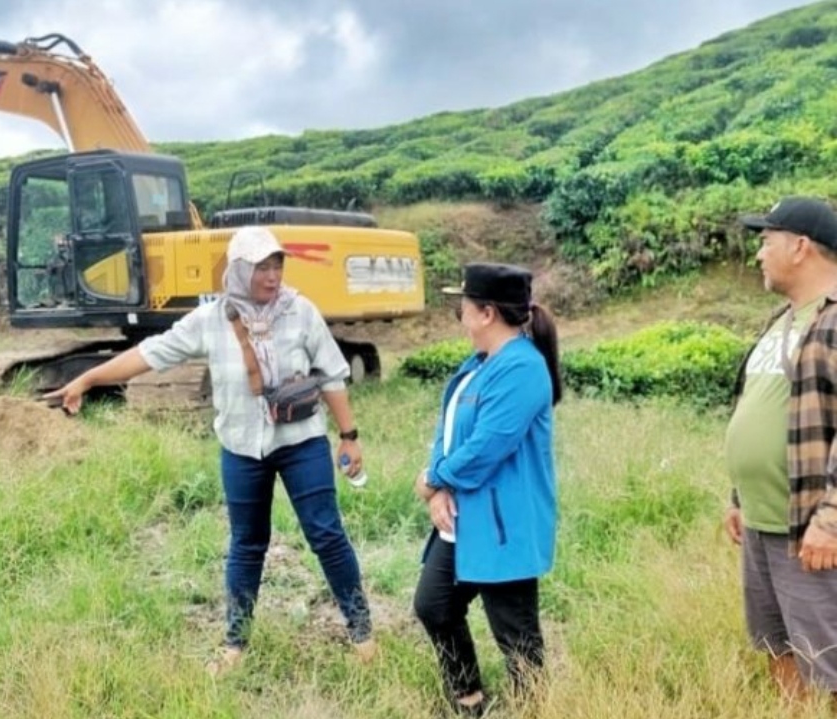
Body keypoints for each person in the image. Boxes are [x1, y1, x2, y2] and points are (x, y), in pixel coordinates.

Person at [44, 225, 375, 672]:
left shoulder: (301, 312)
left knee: (326, 534)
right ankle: (235, 644)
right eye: (261, 267)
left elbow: (333, 375)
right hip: (241, 448)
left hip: (302, 442)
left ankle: (362, 634)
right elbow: (149, 354)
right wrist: (87, 378)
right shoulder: (210, 320)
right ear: (238, 270)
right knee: (246, 543)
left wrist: (349, 437)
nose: (272, 276)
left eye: (277, 265)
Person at [412, 262, 562, 717]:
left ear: (487, 313)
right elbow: (450, 429)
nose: (460, 314)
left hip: (503, 525)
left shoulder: (523, 369)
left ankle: (536, 709)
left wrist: (434, 478)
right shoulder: (480, 364)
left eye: (464, 305)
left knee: (517, 639)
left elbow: (486, 448)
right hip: (462, 517)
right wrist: (438, 488)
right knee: (434, 606)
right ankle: (469, 700)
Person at [726, 196, 837, 702]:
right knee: (777, 647)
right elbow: (760, 408)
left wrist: (831, 518)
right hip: (762, 522)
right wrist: (738, 497)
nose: (758, 254)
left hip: (811, 530)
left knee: (824, 663)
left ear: (800, 246)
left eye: (766, 241)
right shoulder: (780, 320)